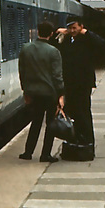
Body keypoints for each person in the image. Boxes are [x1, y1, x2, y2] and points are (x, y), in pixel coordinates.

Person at [56, 17, 105, 156]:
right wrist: (58, 33)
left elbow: (102, 43)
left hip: (83, 83)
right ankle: (75, 140)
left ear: (81, 27)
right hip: (69, 83)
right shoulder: (65, 40)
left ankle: (88, 142)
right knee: (71, 113)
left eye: (75, 28)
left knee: (83, 112)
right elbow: (54, 48)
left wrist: (87, 33)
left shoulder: (87, 39)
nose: (72, 31)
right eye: (70, 28)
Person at [18, 21, 65, 163]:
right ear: (51, 34)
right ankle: (45, 154)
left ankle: (28, 152)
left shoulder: (26, 49)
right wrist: (61, 94)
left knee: (35, 122)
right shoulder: (54, 52)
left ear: (38, 31)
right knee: (50, 123)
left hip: (33, 92)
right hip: (49, 93)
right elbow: (57, 75)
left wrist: (25, 91)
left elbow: (22, 72)